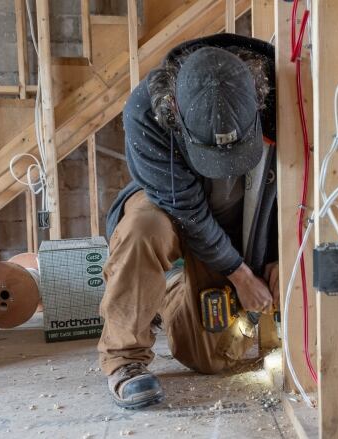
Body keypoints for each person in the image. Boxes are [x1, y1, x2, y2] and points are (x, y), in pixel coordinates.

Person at [97, 33, 279, 409]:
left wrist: (278, 252)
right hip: (171, 206)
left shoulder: (284, 92)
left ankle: (170, 291)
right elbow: (188, 210)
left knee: (209, 358)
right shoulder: (146, 108)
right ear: (174, 112)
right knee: (142, 231)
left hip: (242, 209)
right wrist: (240, 275)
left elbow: (300, 183)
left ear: (258, 99)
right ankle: (125, 360)